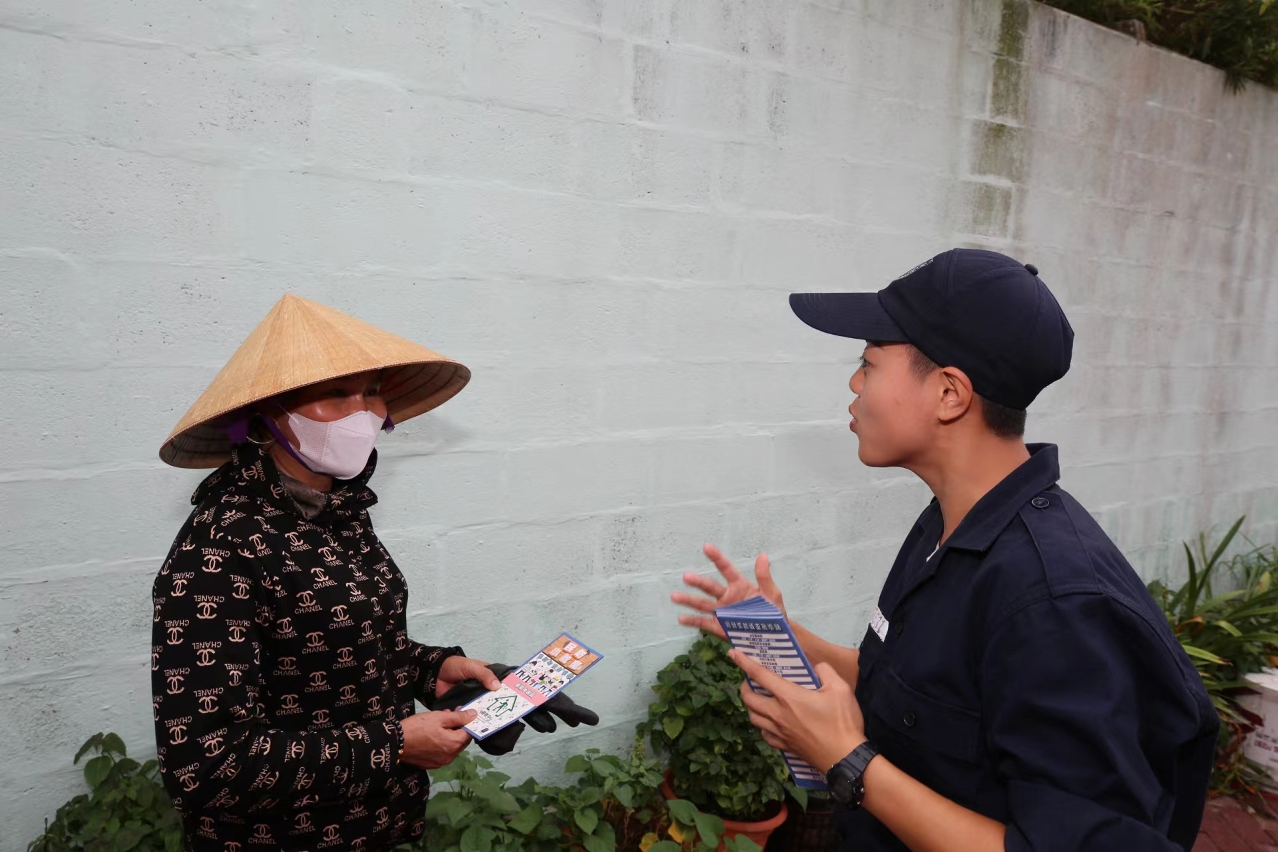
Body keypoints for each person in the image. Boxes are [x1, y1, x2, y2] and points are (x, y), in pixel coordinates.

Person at [673, 249, 1217, 852]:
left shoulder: (1055, 602)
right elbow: (914, 695)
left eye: (868, 362)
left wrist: (847, 762)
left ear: (950, 394)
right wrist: (784, 636)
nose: (854, 383)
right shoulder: (949, 523)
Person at [152, 294, 595, 852]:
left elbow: (332, 646)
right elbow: (204, 764)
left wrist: (434, 671)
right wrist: (392, 746)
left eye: (371, 391)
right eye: (336, 394)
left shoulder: (339, 512)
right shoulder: (219, 546)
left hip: (376, 826)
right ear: (265, 416)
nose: (362, 412)